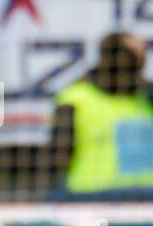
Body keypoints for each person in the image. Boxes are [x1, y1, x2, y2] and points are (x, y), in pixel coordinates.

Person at [51, 32, 153, 192]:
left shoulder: (147, 99)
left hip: (145, 202)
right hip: (90, 200)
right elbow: (58, 157)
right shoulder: (76, 98)